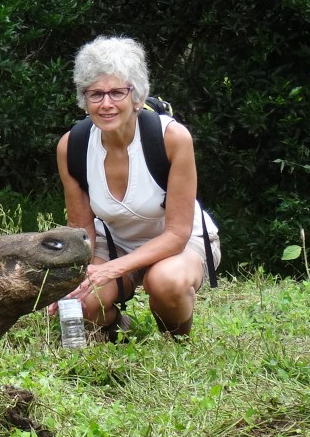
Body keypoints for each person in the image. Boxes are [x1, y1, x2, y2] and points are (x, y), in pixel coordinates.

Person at [54, 36, 220, 339]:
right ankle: (115, 325)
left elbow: (177, 234)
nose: (106, 104)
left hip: (178, 244)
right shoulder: (73, 146)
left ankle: (176, 338)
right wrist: (74, 281)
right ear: (84, 98)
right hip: (114, 245)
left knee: (164, 281)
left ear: (137, 97)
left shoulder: (171, 139)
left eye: (117, 92)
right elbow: (81, 231)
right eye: (95, 94)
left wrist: (111, 271)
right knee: (82, 304)